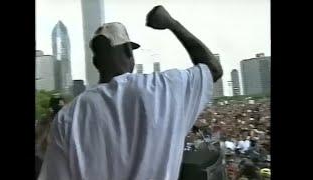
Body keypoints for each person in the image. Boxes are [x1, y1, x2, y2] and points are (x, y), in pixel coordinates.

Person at [38, 5, 222, 180]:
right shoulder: (164, 89)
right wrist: (171, 23)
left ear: (95, 62)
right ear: (128, 51)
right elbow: (213, 69)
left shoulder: (68, 116)